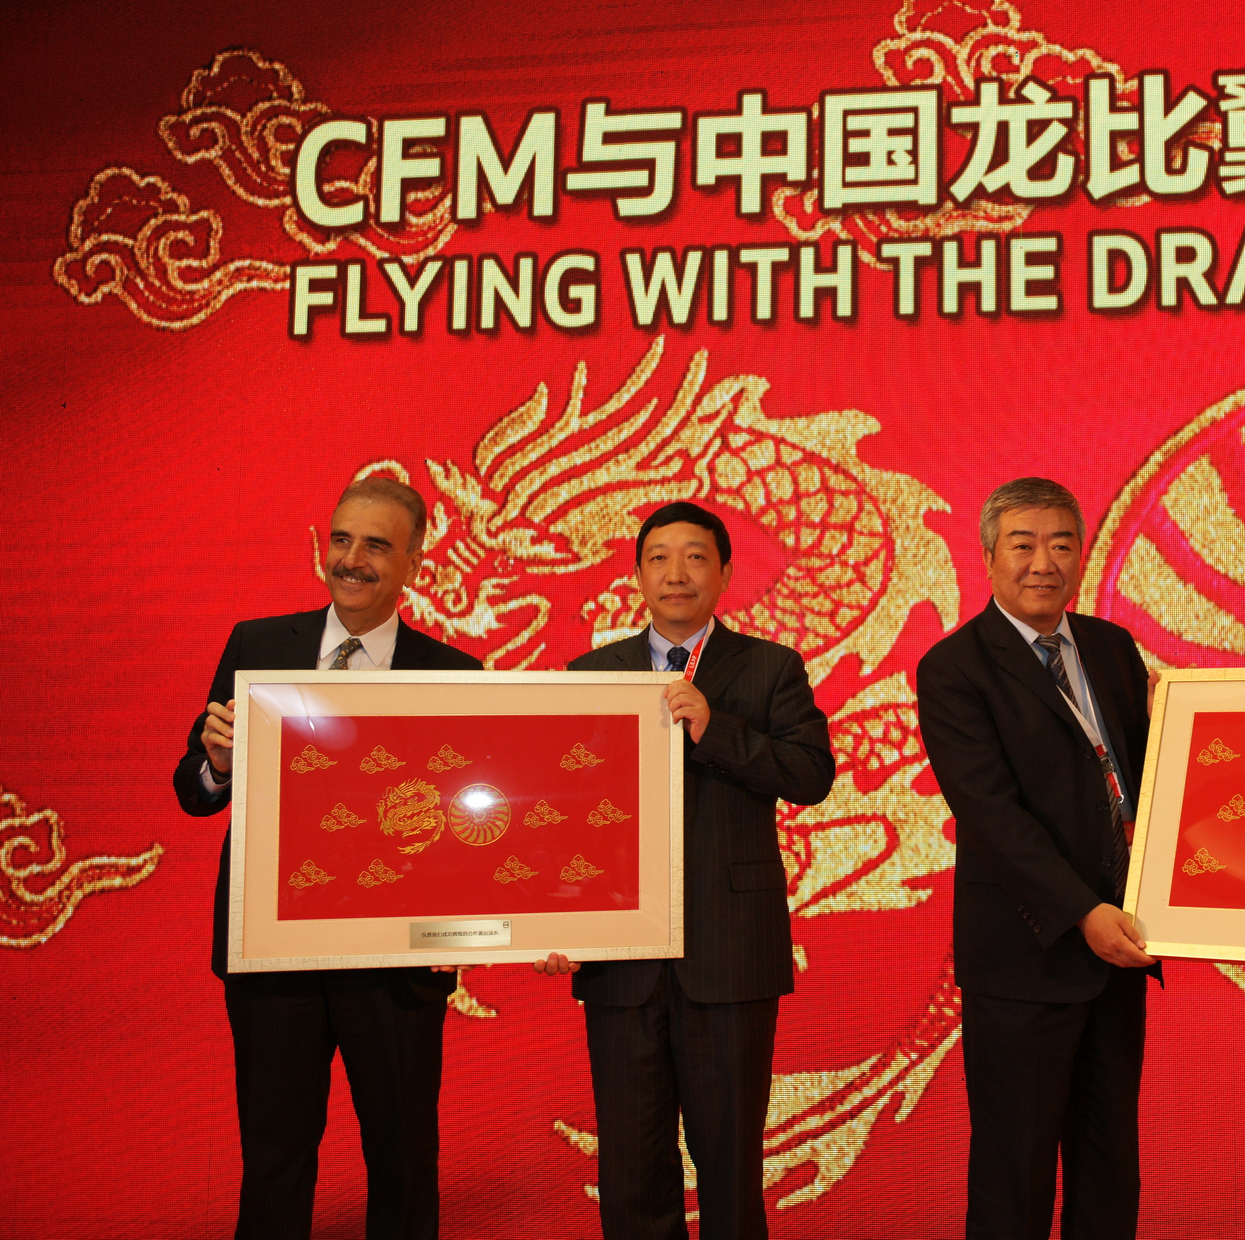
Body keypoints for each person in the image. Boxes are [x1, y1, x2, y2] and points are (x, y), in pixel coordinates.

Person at [171, 477, 481, 1240]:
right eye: (341, 539)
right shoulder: (257, 645)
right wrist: (217, 762)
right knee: (274, 1162)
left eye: (376, 544)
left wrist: (464, 929)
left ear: (414, 560)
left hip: (398, 960)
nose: (352, 559)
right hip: (272, 950)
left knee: (403, 1163)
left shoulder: (456, 675)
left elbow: (473, 824)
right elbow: (195, 788)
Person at [533, 501, 833, 1240]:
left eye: (695, 557)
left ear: (725, 573)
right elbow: (556, 810)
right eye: (659, 557)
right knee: (631, 1171)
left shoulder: (769, 667)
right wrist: (552, 919)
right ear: (636, 574)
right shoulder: (591, 674)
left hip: (728, 954)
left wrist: (715, 727)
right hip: (620, 959)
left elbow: (811, 772)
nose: (676, 573)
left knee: (729, 1169)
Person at [915, 477, 1158, 1240]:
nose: (1043, 562)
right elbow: (991, 816)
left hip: (1119, 950)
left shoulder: (1114, 649)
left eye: (1061, 544)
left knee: (1109, 1166)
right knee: (1014, 1176)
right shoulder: (954, 668)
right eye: (1023, 544)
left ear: (1081, 555)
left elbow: (1145, 779)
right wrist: (1082, 912)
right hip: (1027, 958)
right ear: (989, 556)